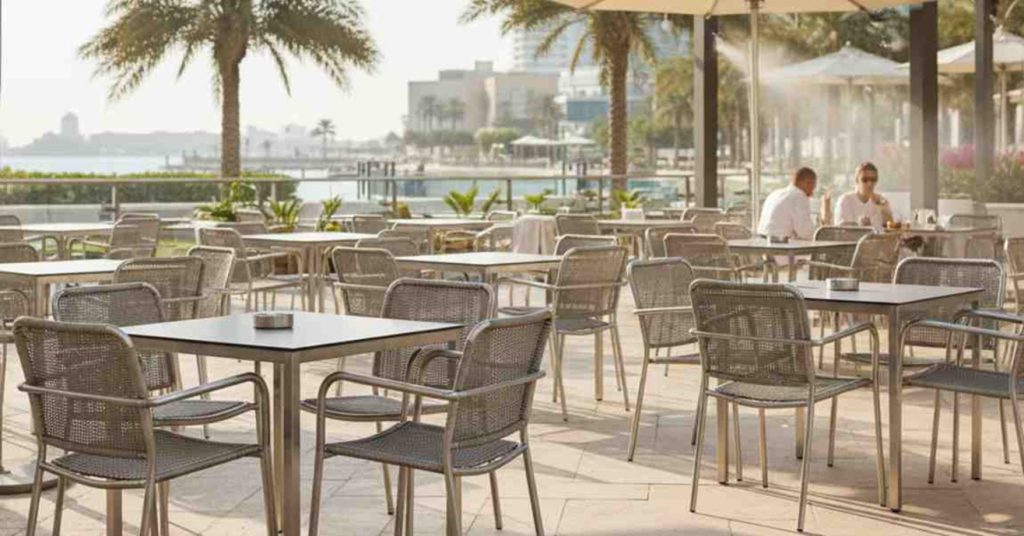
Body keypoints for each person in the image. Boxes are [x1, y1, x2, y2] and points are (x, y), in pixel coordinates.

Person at [824, 162, 894, 228]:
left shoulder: (881, 201)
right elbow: (843, 231)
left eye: (873, 180)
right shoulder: (846, 200)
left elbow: (890, 228)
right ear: (857, 180)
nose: (869, 184)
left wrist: (885, 210)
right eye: (865, 180)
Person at [757, 167, 818, 240]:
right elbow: (805, 232)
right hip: (781, 245)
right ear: (807, 183)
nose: (813, 191)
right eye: (813, 186)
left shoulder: (775, 193)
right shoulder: (798, 196)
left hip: (762, 244)